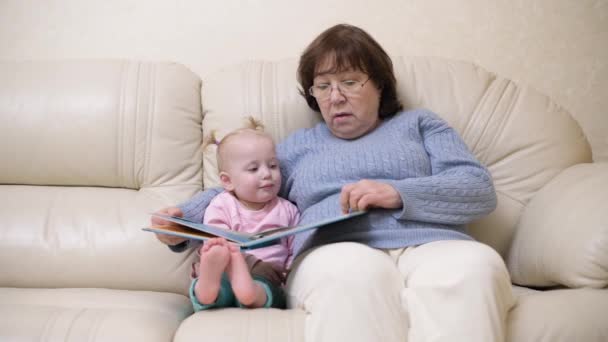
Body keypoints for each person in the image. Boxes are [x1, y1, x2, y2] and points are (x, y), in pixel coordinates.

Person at [153, 24, 515, 342]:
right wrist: (181, 221)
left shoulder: (420, 125)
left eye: (349, 82)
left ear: (380, 85)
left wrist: (397, 193)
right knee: (353, 274)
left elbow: (477, 188)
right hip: (336, 250)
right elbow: (240, 187)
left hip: (432, 244)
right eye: (322, 86)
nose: (335, 97)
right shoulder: (301, 145)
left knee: (474, 267)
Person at [154, 118, 299, 311]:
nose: (266, 174)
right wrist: (245, 262)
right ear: (227, 181)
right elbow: (215, 243)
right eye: (254, 169)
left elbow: (295, 250)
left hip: (267, 276)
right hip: (224, 270)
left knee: (267, 290)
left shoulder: (287, 209)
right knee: (219, 256)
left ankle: (242, 291)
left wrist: (288, 273)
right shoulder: (222, 205)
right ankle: (210, 287)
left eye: (273, 165)